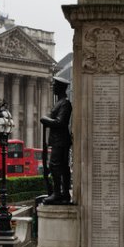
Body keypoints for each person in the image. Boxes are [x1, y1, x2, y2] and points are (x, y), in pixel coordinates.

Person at [40, 76, 72, 205]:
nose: (53, 87)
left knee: (56, 166)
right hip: (57, 140)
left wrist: (45, 119)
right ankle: (62, 193)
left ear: (61, 88)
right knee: (61, 167)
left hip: (61, 140)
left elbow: (60, 122)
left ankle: (58, 193)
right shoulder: (59, 103)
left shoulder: (65, 103)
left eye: (55, 86)